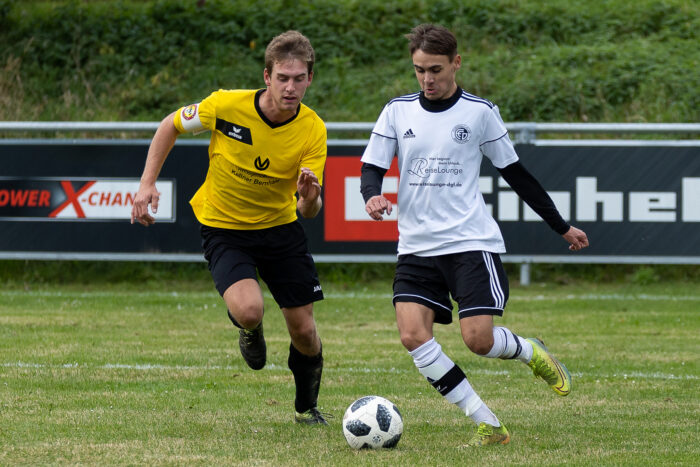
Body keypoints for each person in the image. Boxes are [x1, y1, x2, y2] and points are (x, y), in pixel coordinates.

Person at [360, 24, 589, 447]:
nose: (427, 79)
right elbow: (372, 167)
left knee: (478, 341)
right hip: (415, 246)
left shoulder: (479, 112)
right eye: (418, 70)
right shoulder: (397, 111)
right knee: (412, 335)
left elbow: (517, 175)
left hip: (469, 243)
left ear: (456, 63)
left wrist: (561, 226)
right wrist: (372, 196)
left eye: (435, 69)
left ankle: (528, 350)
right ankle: (487, 422)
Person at [131, 31, 329, 425]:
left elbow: (309, 210)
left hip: (280, 229)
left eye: (299, 78)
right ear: (267, 75)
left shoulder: (313, 129)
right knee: (250, 310)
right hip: (225, 228)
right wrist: (146, 183)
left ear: (310, 78)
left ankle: (306, 408)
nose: (291, 87)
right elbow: (170, 125)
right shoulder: (225, 105)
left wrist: (308, 196)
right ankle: (248, 330)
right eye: (283, 77)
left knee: (304, 331)